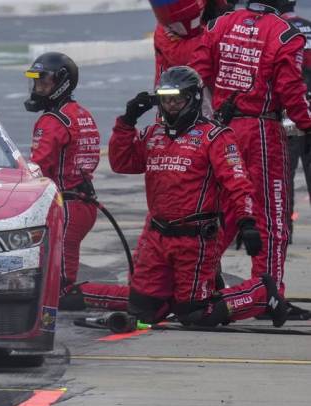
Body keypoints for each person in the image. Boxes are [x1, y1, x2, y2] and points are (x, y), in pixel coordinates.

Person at [109, 66, 289, 327]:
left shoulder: (214, 136)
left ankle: (261, 292)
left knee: (193, 315)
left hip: (195, 239)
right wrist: (126, 122)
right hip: (157, 237)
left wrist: (246, 222)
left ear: (192, 100)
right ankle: (191, 294)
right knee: (143, 311)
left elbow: (238, 182)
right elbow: (122, 163)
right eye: (165, 99)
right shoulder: (152, 134)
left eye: (177, 99)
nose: (170, 106)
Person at [190, 0, 311, 296]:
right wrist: (307, 123)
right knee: (271, 216)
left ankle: (195, 283)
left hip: (221, 130)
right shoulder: (285, 33)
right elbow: (290, 91)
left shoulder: (220, 24)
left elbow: (197, 75)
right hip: (261, 130)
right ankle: (266, 292)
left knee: (226, 211)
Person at [24, 52, 117, 310]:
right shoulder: (82, 114)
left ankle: (126, 298)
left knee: (61, 292)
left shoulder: (52, 121)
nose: (38, 88)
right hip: (82, 202)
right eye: (36, 82)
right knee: (59, 284)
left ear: (62, 82)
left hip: (65, 206)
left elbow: (38, 169)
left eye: (44, 82)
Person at [282, 0, 311, 243]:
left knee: (283, 177)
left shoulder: (277, 31)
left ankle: (284, 231)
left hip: (287, 116)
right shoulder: (309, 26)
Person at [152, 0, 235, 86]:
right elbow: (182, 56)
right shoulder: (163, 30)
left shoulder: (215, 9)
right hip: (175, 89)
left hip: (213, 83)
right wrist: (221, 31)